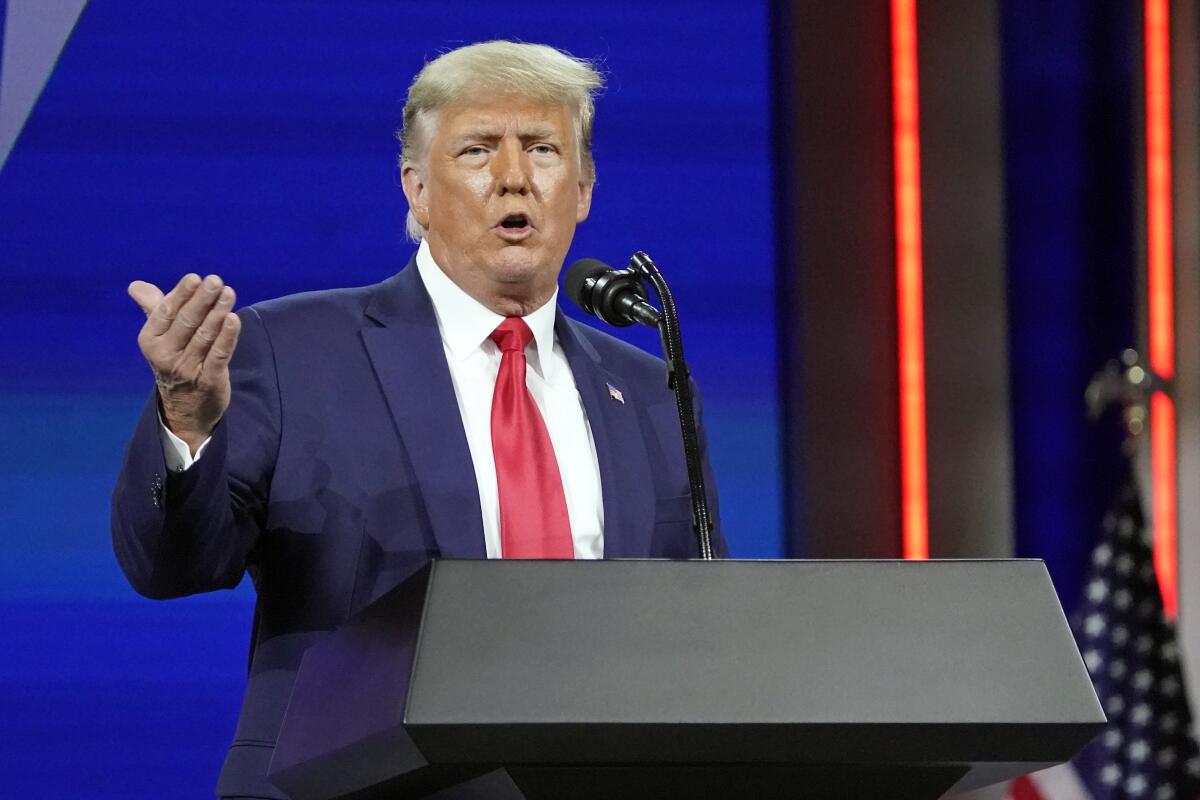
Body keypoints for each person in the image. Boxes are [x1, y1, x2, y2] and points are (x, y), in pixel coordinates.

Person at [112, 40, 725, 799]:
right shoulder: (292, 349)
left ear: (585, 187)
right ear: (416, 189)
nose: (513, 177)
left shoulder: (653, 390)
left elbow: (698, 637)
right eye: (477, 150)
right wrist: (187, 421)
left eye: (542, 149)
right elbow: (174, 566)